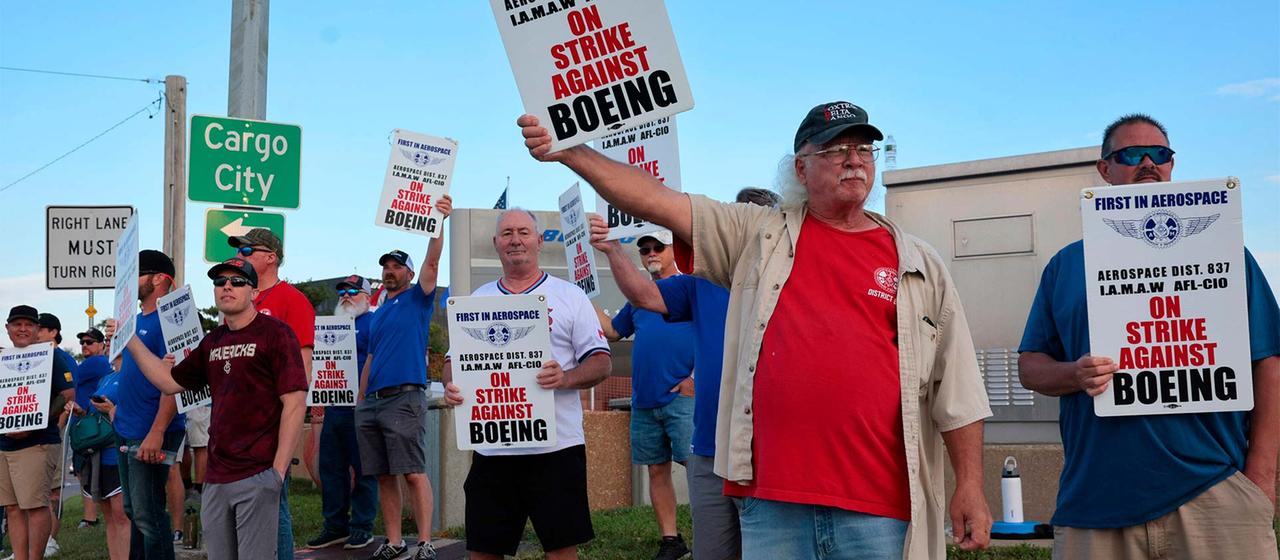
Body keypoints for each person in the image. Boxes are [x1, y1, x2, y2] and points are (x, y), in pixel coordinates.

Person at [517, 101, 994, 559]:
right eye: (834, 150)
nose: (853, 160)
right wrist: (570, 151)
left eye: (863, 149)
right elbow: (658, 202)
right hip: (772, 504)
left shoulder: (918, 263)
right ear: (801, 169)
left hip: (879, 510)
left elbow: (957, 388)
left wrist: (970, 484)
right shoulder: (757, 235)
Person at [1017, 114, 1280, 559]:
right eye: (1129, 155)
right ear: (1104, 170)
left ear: (1172, 166)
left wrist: (1261, 481)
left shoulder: (1226, 252)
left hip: (1215, 492)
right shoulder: (1065, 266)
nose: (1147, 163)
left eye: (1159, 154)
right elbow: (1031, 366)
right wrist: (1073, 374)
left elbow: (1267, 362)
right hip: (1095, 503)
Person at [588, 187, 778, 560]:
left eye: (757, 222)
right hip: (709, 448)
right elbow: (643, 297)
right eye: (738, 220)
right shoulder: (700, 281)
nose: (745, 230)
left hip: (769, 450)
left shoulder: (794, 278)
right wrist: (612, 250)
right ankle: (670, 539)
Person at [443, 208, 613, 560]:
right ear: (495, 244)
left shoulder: (569, 296)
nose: (515, 240)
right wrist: (451, 385)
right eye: (507, 234)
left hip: (556, 449)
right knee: (483, 549)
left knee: (561, 548)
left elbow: (601, 362)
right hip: (493, 449)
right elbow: (451, 362)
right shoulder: (476, 301)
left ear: (539, 241)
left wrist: (565, 378)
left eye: (523, 232)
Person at [124, 257, 307, 559]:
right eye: (220, 282)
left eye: (237, 281)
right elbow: (170, 382)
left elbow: (295, 402)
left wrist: (277, 471)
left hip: (258, 474)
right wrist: (129, 340)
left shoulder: (275, 333)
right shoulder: (212, 342)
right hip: (216, 478)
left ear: (253, 292)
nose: (227, 287)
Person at [357, 195, 451, 560]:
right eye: (386, 266)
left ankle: (424, 542)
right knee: (383, 476)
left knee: (412, 472)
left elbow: (433, 259)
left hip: (405, 398)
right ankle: (395, 542)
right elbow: (371, 357)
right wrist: (361, 400)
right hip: (373, 403)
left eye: (397, 266)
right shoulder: (377, 312)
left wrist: (439, 221)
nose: (390, 270)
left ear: (409, 274)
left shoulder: (418, 298)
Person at [597, 230, 695, 560]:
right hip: (645, 400)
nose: (651, 253)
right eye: (645, 250)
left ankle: (715, 534)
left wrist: (695, 379)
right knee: (656, 470)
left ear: (672, 250)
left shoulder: (691, 286)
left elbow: (718, 332)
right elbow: (613, 331)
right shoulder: (638, 299)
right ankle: (671, 540)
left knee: (697, 468)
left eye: (658, 247)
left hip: (682, 397)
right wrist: (586, 300)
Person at [227, 227, 316, 559]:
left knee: (271, 505)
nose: (240, 257)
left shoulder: (292, 300)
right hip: (235, 423)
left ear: (270, 258)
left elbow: (302, 369)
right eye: (239, 251)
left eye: (247, 252)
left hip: (270, 422)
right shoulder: (240, 300)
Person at [109, 249, 186, 560]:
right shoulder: (136, 320)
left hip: (151, 431)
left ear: (158, 279)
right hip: (126, 427)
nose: (130, 283)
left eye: (137, 274)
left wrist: (157, 432)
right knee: (133, 510)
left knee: (149, 515)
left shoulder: (172, 321)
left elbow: (176, 383)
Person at [305, 275, 379, 551]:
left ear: (367, 297)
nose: (346, 295)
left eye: (353, 291)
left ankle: (362, 527)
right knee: (331, 467)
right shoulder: (329, 326)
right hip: (334, 405)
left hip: (362, 407)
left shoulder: (372, 322)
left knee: (364, 469)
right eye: (342, 292)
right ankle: (335, 526)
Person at [0, 306, 75, 560]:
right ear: (7, 329)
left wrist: (33, 424)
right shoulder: (3, 357)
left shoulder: (51, 356)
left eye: (29, 325)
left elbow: (68, 395)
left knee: (35, 505)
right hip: (4, 444)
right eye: (17, 324)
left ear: (36, 329)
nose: (22, 329)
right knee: (11, 507)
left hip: (37, 443)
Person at [66, 326, 130, 559]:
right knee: (110, 516)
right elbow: (98, 416)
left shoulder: (135, 374)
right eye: (111, 340)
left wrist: (112, 409)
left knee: (121, 514)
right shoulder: (106, 377)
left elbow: (138, 411)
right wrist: (82, 412)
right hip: (99, 454)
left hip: (119, 452)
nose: (113, 344)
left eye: (116, 340)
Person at [34, 313, 74, 557]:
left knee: (53, 489)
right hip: (34, 437)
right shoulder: (36, 356)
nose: (35, 332)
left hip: (54, 435)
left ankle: (51, 540)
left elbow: (69, 394)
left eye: (40, 328)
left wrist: (56, 425)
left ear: (53, 332)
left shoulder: (61, 358)